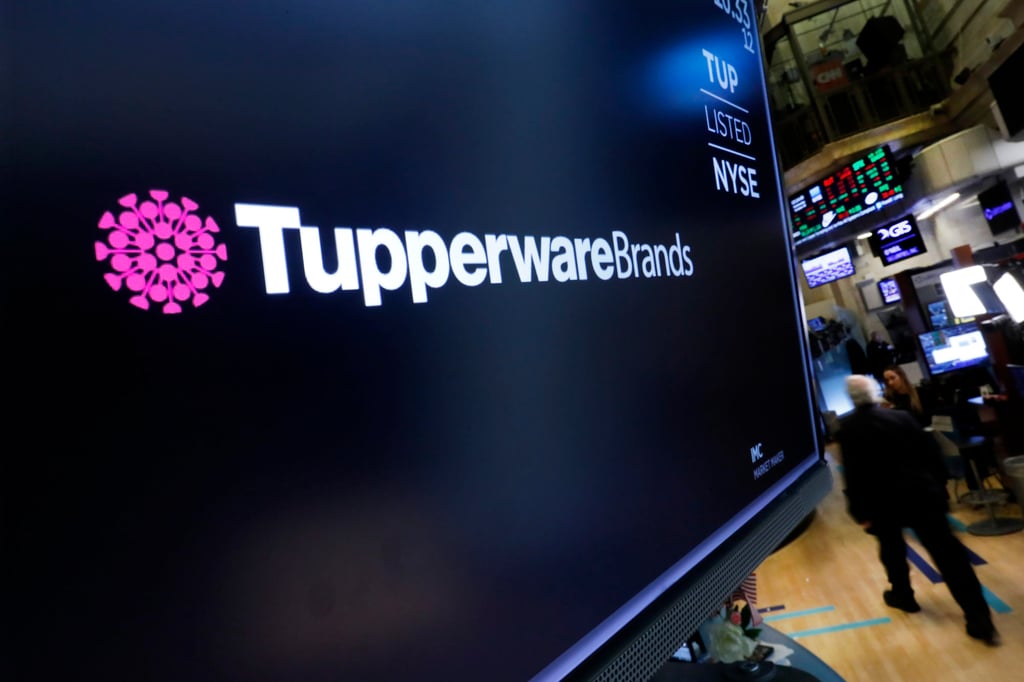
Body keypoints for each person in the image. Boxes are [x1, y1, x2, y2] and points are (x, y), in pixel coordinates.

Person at [835, 375, 999, 645]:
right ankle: (979, 619)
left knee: (891, 549)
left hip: (883, 503)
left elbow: (854, 475)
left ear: (851, 399)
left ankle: (903, 596)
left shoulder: (848, 429)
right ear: (876, 393)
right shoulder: (902, 418)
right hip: (922, 495)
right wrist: (941, 485)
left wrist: (860, 512)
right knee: (949, 557)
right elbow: (931, 453)